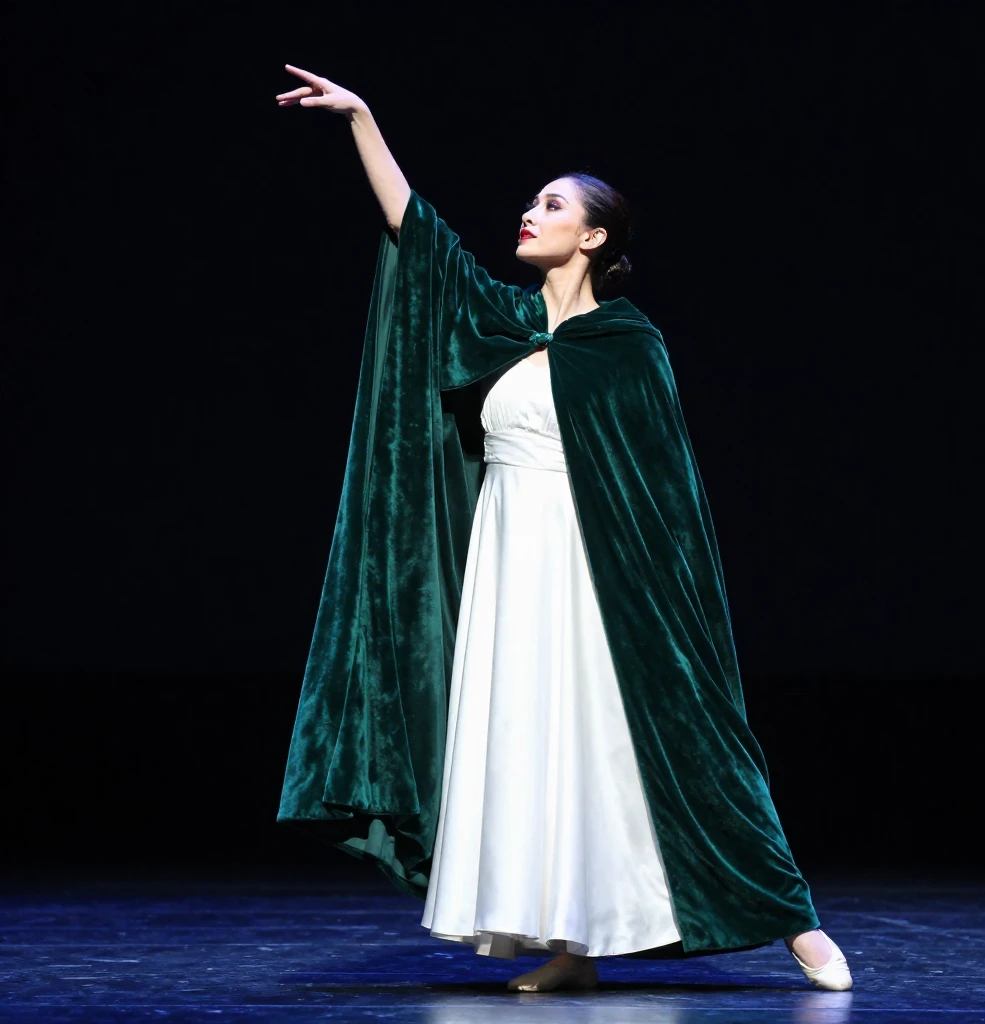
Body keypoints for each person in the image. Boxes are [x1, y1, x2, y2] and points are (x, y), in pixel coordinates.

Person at [274, 64, 853, 994]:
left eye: (552, 205)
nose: (529, 212)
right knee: (530, 748)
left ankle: (793, 919)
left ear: (594, 236)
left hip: (597, 581)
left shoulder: (628, 345)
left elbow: (663, 501)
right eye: (531, 201)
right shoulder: (498, 323)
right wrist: (362, 121)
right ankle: (574, 949)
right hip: (509, 569)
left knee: (636, 746)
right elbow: (419, 237)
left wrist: (661, 611)